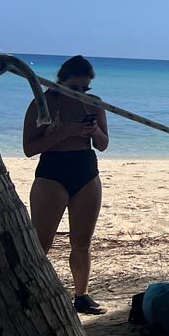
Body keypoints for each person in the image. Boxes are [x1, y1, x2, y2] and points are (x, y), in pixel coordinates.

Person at [22, 55, 109, 315]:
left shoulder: (94, 104)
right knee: (41, 243)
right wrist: (66, 132)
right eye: (75, 88)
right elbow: (29, 149)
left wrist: (94, 131)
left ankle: (81, 296)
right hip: (52, 173)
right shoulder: (44, 103)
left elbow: (103, 145)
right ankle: (31, 292)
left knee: (82, 241)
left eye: (85, 88)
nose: (81, 93)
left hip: (86, 171)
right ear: (60, 81)